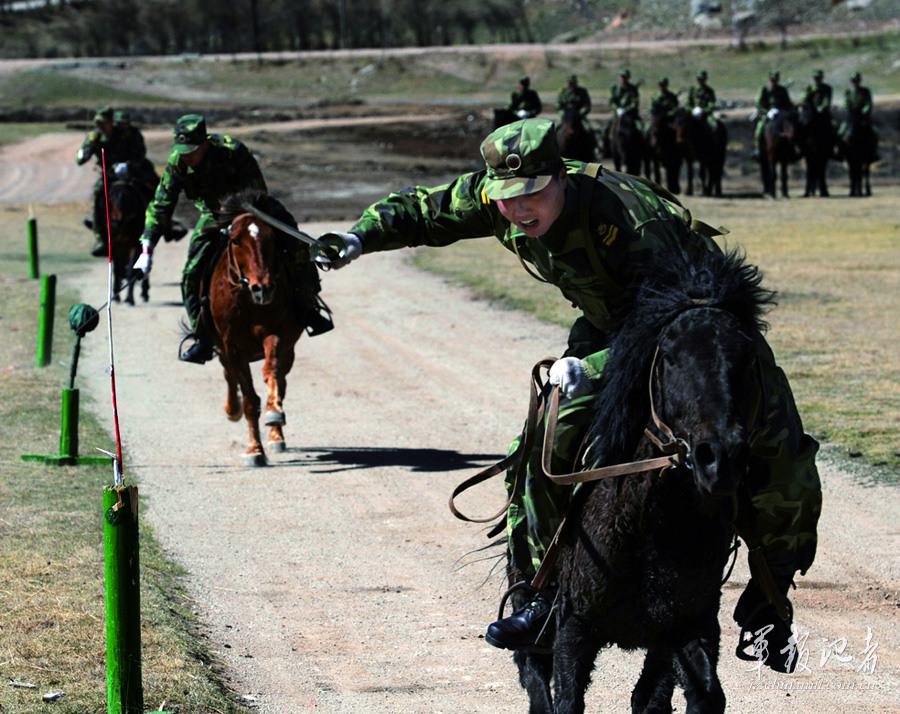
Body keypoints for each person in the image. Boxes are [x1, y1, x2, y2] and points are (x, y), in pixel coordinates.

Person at [312, 118, 822, 668]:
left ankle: (770, 605)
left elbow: (668, 325)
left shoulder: (629, 218)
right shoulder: (501, 199)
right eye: (507, 199)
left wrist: (591, 362)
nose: (519, 208)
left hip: (701, 331)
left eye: (532, 193)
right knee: (543, 437)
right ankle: (543, 596)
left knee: (779, 454)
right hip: (611, 322)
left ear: (560, 177)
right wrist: (359, 237)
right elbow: (427, 209)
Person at [133, 114, 330, 364]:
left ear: (205, 145)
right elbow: (161, 205)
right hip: (214, 216)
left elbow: (258, 193)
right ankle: (202, 337)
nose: (187, 157)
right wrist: (146, 249)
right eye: (182, 151)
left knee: (297, 246)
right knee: (191, 274)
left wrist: (239, 222)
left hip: (254, 210)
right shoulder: (178, 163)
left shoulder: (233, 151)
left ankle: (308, 307)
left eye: (191, 151)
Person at [76, 106, 150, 257]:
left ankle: (158, 223)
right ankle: (101, 235)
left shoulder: (125, 134)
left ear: (112, 122)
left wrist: (128, 165)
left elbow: (139, 155)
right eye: (97, 123)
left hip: (129, 174)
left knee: (148, 188)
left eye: (103, 123)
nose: (100, 127)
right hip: (108, 177)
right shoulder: (95, 137)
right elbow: (81, 159)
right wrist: (84, 153)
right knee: (98, 193)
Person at [752, 70, 794, 157]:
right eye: (771, 80)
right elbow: (758, 103)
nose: (773, 82)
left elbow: (787, 103)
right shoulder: (764, 90)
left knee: (791, 128)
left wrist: (783, 111)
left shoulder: (782, 90)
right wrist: (767, 112)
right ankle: (758, 149)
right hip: (766, 116)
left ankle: (793, 149)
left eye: (775, 80)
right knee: (759, 129)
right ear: (769, 80)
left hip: (780, 115)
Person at [838, 71, 878, 159]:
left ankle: (874, 153)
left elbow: (868, 103)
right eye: (853, 81)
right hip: (851, 116)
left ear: (859, 81)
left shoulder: (865, 91)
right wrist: (850, 110)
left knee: (875, 131)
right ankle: (840, 153)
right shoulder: (848, 92)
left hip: (862, 117)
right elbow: (845, 104)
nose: (854, 83)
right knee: (840, 132)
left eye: (856, 81)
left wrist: (863, 111)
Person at [603, 68, 642, 156]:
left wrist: (626, 109)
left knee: (641, 128)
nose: (623, 78)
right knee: (605, 129)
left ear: (628, 77)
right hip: (617, 115)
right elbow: (611, 101)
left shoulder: (633, 89)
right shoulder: (615, 88)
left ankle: (642, 150)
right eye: (621, 77)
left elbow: (634, 102)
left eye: (625, 77)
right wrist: (617, 109)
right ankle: (606, 151)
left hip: (630, 115)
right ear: (619, 77)